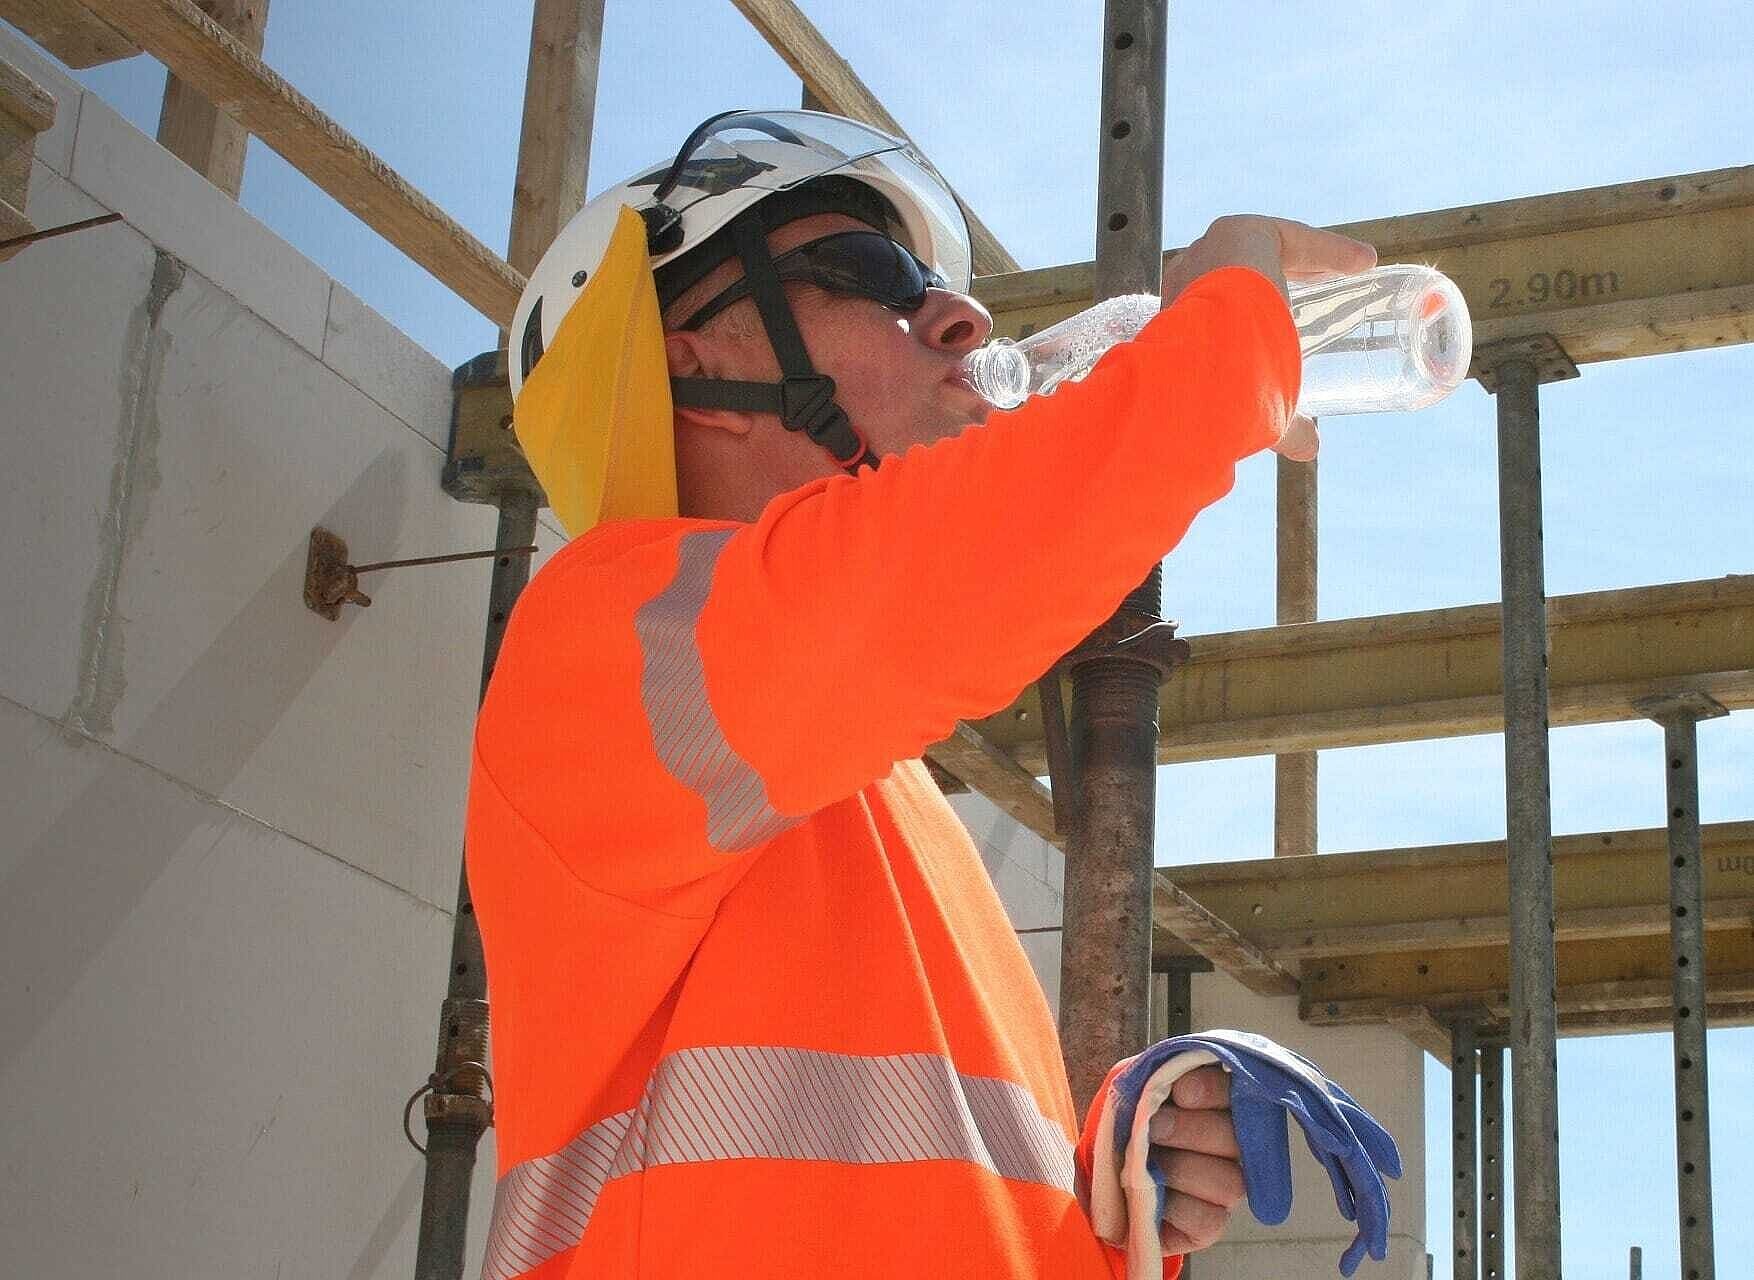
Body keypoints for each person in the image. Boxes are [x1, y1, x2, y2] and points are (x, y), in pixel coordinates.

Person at [466, 110, 1375, 1280]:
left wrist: (1112, 1200)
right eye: (872, 274)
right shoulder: (596, 642)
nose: (962, 317)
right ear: (693, 363)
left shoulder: (881, 794)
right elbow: (949, 564)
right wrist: (1220, 345)